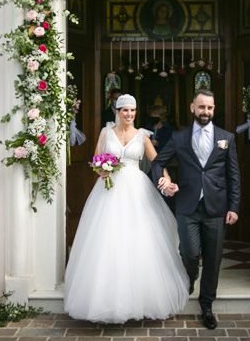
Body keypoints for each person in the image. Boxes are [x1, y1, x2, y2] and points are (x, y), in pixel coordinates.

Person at [64, 94, 189, 323]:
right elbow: (95, 158)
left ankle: (141, 298)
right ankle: (106, 300)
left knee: (138, 238)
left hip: (136, 189)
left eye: (132, 111)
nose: (129, 115)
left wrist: (167, 180)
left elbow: (157, 162)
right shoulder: (106, 132)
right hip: (108, 190)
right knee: (108, 240)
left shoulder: (142, 135)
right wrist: (101, 170)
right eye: (125, 111)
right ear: (118, 112)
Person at [151, 90, 241, 330]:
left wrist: (234, 206)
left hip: (216, 208)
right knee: (190, 253)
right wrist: (163, 182)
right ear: (193, 108)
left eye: (210, 108)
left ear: (214, 108)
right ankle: (189, 279)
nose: (206, 112)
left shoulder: (226, 138)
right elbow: (158, 162)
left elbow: (233, 175)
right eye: (202, 107)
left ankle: (207, 305)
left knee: (212, 259)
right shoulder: (180, 138)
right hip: (187, 206)